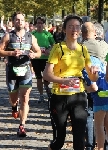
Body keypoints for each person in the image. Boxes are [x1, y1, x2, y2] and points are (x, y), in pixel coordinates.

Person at [43, 15, 99, 150]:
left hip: (79, 96)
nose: (74, 29)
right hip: (59, 97)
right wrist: (64, 81)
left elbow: (92, 77)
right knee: (59, 141)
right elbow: (46, 74)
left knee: (80, 139)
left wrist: (94, 74)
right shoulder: (58, 48)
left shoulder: (83, 49)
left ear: (80, 30)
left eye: (77, 27)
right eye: (70, 26)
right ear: (64, 29)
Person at [0, 12, 41, 137]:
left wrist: (34, 55)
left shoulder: (31, 37)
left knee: (25, 98)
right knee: (14, 98)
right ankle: (14, 107)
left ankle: (22, 125)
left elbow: (38, 52)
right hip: (12, 70)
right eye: (17, 20)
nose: (19, 22)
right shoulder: (8, 36)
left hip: (25, 70)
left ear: (25, 22)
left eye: (21, 20)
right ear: (13, 22)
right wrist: (11, 54)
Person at [82, 22, 108, 150]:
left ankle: (96, 147)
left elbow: (93, 87)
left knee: (97, 124)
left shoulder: (82, 50)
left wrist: (85, 87)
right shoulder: (104, 46)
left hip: (98, 93)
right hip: (107, 89)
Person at [31, 16, 55, 103]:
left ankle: (46, 86)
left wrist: (49, 50)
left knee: (47, 77)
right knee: (38, 77)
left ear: (44, 24)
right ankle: (41, 95)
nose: (39, 25)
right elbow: (29, 45)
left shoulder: (48, 34)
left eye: (41, 23)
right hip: (36, 59)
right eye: (38, 23)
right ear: (36, 24)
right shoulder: (33, 34)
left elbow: (54, 45)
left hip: (46, 59)